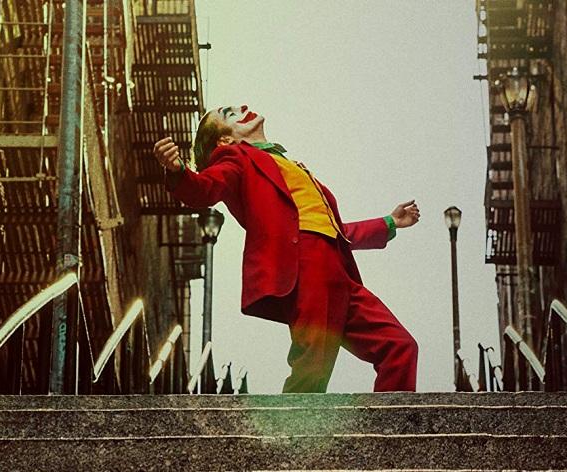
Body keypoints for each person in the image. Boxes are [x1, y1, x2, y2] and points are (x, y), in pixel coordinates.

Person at [152, 105, 420, 392]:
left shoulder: (290, 165)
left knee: (399, 347)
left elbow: (333, 230)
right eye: (229, 114)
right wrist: (179, 170)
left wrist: (389, 223)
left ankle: (389, 432)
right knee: (313, 363)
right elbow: (205, 187)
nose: (241, 107)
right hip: (305, 267)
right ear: (226, 140)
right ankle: (287, 435)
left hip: (339, 272)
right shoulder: (235, 157)